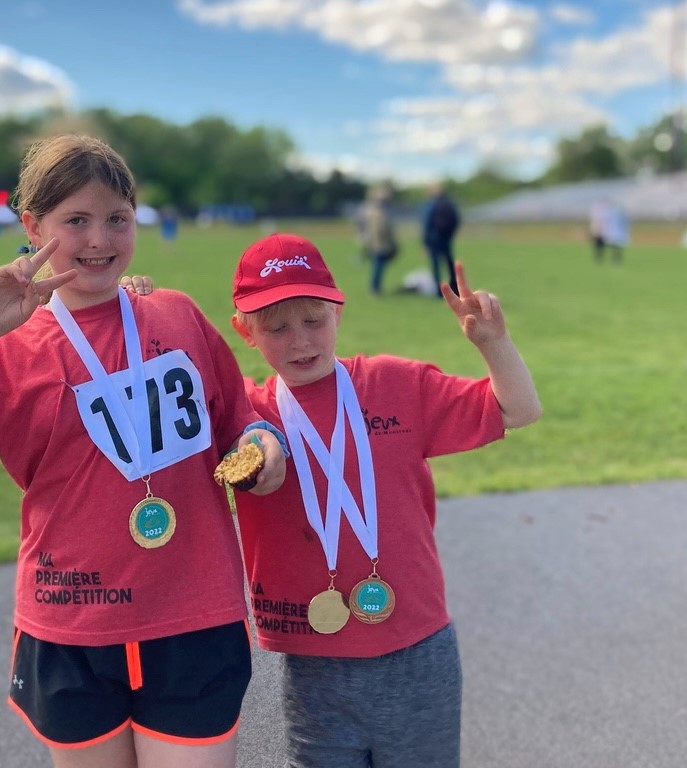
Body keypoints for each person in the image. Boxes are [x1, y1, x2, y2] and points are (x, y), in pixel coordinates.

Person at [0, 134, 287, 768]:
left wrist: (263, 447)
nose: (99, 240)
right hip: (73, 622)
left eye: (117, 219)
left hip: (192, 614)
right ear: (33, 226)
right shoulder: (7, 350)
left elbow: (239, 421)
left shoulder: (177, 316)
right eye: (76, 221)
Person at [226, 232, 541, 768]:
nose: (301, 341)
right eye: (277, 327)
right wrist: (133, 306)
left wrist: (493, 343)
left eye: (314, 320)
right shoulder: (245, 414)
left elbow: (518, 410)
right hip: (313, 659)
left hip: (417, 649)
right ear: (245, 331)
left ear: (339, 312)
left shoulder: (399, 385)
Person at [421, 183, 461, 297]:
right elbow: (456, 220)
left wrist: (425, 243)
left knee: (436, 265)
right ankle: (454, 288)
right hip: (446, 238)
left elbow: (427, 225)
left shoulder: (430, 205)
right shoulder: (448, 203)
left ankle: (439, 291)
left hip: (434, 239)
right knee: (449, 263)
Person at [359, 186, 398, 296]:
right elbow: (380, 230)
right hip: (380, 245)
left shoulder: (375, 211)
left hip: (377, 244)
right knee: (378, 267)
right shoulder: (378, 212)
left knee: (378, 267)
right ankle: (374, 288)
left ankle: (375, 288)